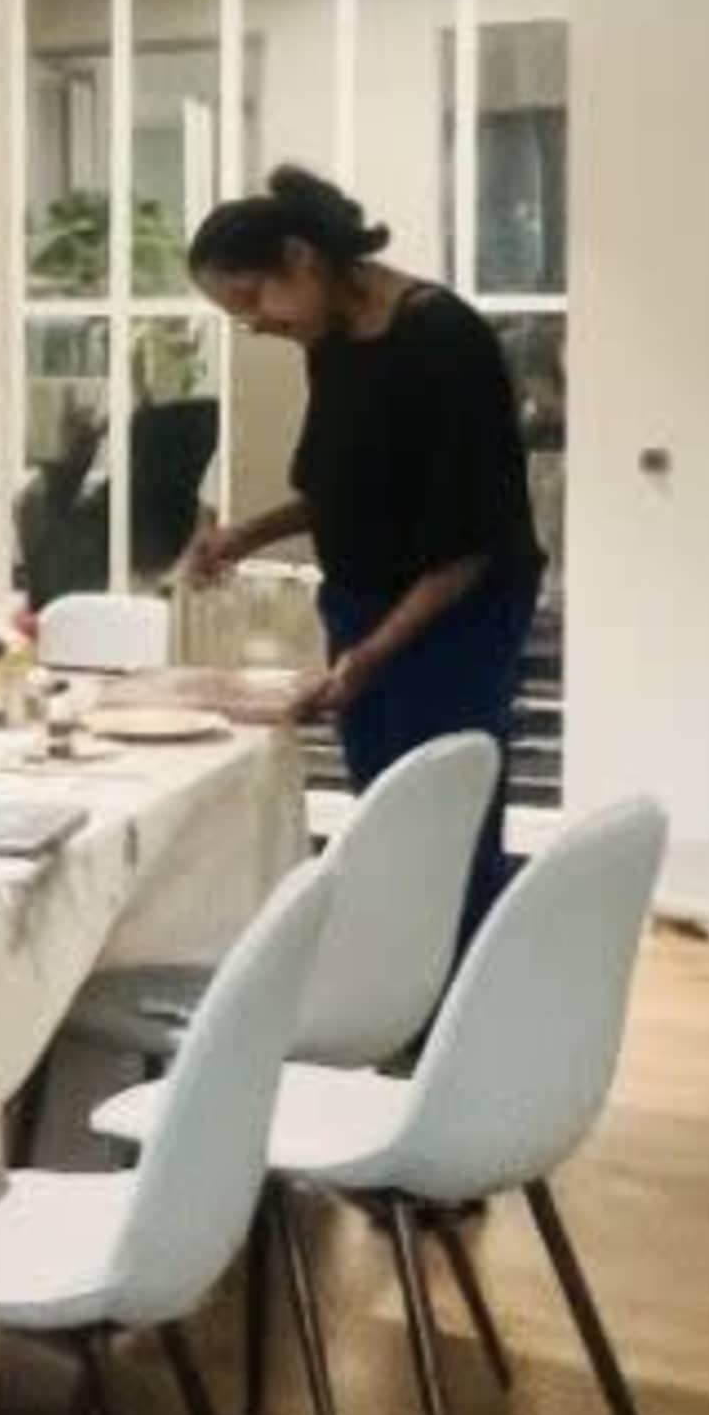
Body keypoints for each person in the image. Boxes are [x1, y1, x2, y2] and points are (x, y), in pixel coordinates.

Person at [178, 162, 541, 924]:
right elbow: (341, 490)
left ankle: (464, 1016)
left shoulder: (444, 337)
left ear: (301, 258)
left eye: (252, 299)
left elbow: (467, 545)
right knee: (384, 816)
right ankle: (401, 1006)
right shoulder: (333, 338)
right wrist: (246, 535)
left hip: (457, 617)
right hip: (365, 604)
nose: (255, 324)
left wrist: (372, 655)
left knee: (445, 821)